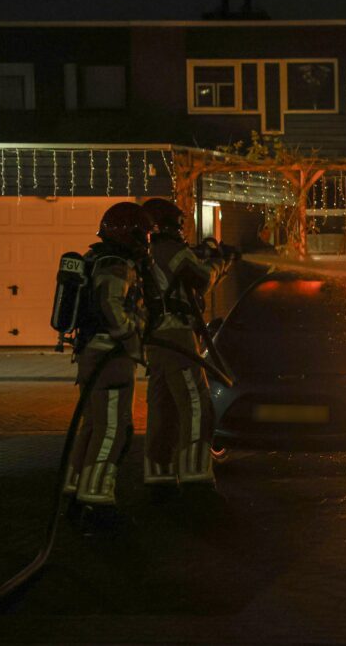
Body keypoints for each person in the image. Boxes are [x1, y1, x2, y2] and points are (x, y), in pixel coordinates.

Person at [64, 202, 153, 523]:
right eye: (143, 235)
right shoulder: (117, 264)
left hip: (91, 352)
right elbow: (111, 303)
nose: (145, 242)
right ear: (130, 234)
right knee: (114, 429)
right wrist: (132, 342)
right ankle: (97, 501)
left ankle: (76, 489)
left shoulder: (94, 258)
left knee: (92, 426)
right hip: (111, 358)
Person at [140, 198, 230, 496]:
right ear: (168, 224)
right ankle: (195, 475)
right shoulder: (171, 249)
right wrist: (219, 260)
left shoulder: (146, 251)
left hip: (156, 339)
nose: (182, 230)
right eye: (179, 224)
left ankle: (159, 475)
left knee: (163, 409)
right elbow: (202, 279)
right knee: (196, 405)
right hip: (178, 337)